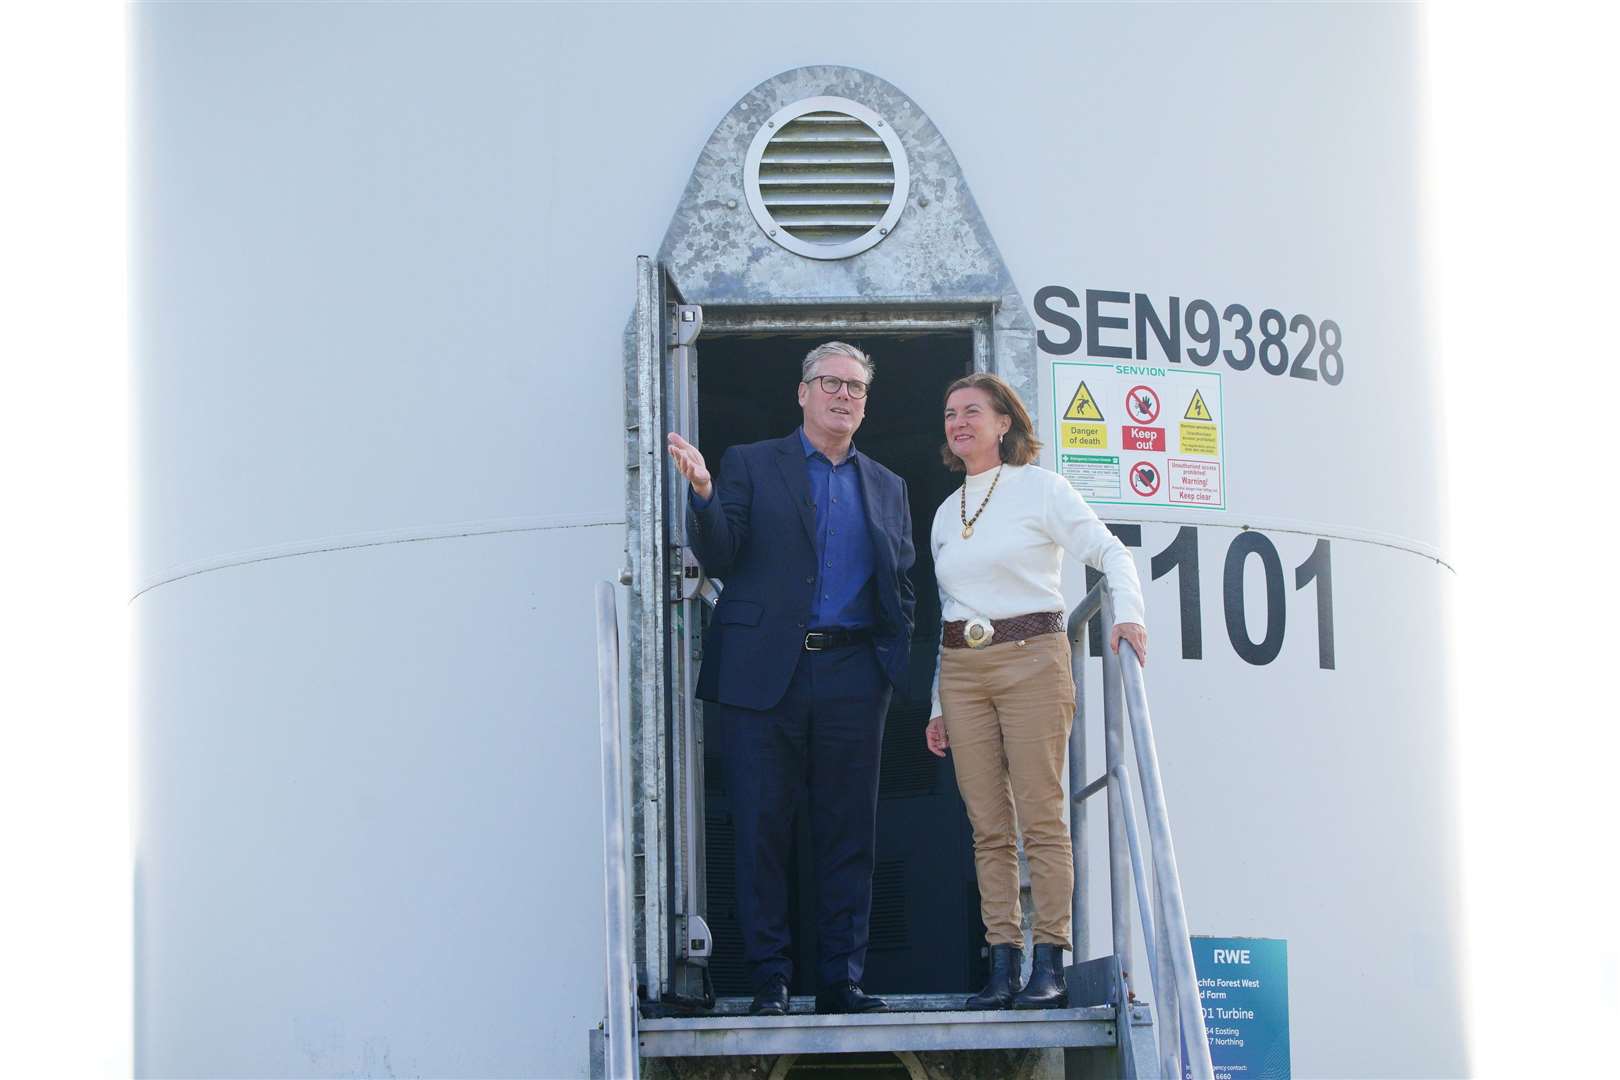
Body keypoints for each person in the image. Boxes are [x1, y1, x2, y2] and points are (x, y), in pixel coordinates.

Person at [666, 342, 917, 1017]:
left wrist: (888, 666)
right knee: (760, 827)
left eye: (856, 388)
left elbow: (902, 583)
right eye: (830, 383)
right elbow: (721, 551)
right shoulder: (751, 463)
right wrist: (705, 494)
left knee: (849, 834)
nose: (843, 396)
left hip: (853, 676)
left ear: (865, 403)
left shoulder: (889, 486)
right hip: (763, 675)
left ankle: (843, 981)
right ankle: (770, 979)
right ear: (801, 393)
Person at [923, 372, 1146, 1011]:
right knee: (988, 827)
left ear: (1004, 423)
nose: (958, 422)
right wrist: (938, 703)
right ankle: (1003, 964)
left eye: (972, 411)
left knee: (1042, 819)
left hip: (1032, 659)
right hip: (963, 669)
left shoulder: (1042, 488)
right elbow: (949, 605)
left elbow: (1110, 552)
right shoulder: (945, 511)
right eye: (949, 413)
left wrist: (1127, 613)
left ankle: (1051, 962)